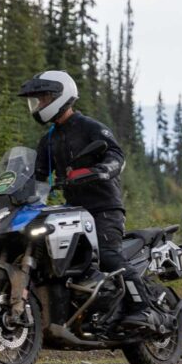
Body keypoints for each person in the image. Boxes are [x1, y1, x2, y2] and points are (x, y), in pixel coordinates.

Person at [19, 70, 159, 329]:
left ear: (61, 97)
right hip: (73, 212)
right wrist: (14, 190)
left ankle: (142, 308)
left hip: (104, 208)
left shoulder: (90, 127)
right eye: (37, 100)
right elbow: (38, 179)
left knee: (107, 256)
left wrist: (103, 169)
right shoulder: (48, 140)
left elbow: (117, 155)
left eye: (43, 99)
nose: (39, 105)